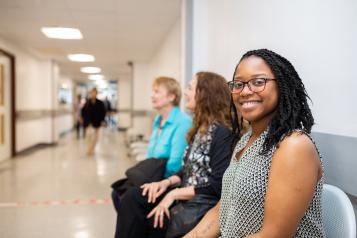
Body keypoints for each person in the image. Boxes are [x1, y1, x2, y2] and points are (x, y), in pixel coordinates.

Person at [184, 49, 326, 238]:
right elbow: (221, 212)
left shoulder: (293, 145)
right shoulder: (246, 140)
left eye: (258, 82)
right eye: (238, 84)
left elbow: (274, 235)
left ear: (282, 85)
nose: (245, 91)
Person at [115, 72, 236, 238]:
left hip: (201, 200)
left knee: (151, 216)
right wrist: (166, 183)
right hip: (185, 191)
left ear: (206, 94)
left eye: (190, 88)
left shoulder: (221, 132)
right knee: (131, 197)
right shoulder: (200, 129)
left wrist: (173, 193)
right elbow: (186, 169)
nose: (185, 93)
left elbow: (217, 185)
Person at [111, 77, 192, 217]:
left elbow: (175, 164)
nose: (152, 95)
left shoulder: (183, 122)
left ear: (171, 97)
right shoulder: (158, 119)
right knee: (117, 191)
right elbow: (151, 154)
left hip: (167, 181)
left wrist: (151, 181)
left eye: (157, 92)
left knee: (127, 198)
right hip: (153, 174)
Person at [81, 88, 106, 156]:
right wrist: (82, 118)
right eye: (92, 93)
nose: (93, 94)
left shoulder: (100, 103)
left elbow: (103, 113)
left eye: (94, 93)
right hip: (88, 123)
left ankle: (92, 149)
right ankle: (89, 150)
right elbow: (83, 111)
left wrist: (102, 120)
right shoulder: (87, 102)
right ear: (90, 93)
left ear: (96, 93)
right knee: (88, 137)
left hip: (96, 123)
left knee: (95, 138)